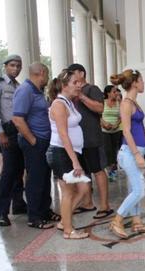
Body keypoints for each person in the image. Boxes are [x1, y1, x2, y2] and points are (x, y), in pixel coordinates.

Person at [109, 69, 145, 238]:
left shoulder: (134, 103)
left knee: (134, 188)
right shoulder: (126, 104)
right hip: (129, 153)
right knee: (139, 190)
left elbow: (140, 127)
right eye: (142, 80)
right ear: (135, 83)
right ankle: (117, 220)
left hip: (137, 151)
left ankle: (137, 223)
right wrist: (137, 154)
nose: (144, 83)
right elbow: (127, 132)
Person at [13, 62, 60, 229]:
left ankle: (45, 210)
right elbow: (18, 120)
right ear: (41, 73)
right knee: (35, 179)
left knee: (45, 178)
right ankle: (34, 216)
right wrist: (33, 141)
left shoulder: (37, 91)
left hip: (43, 141)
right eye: (46, 74)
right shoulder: (25, 90)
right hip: (34, 142)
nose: (47, 78)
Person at [46, 69, 90, 239]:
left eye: (80, 82)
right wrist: (75, 162)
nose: (79, 85)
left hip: (69, 153)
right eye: (75, 83)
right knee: (68, 192)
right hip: (61, 153)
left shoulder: (69, 102)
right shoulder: (58, 105)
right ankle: (68, 231)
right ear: (64, 85)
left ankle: (65, 220)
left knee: (84, 188)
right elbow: (63, 135)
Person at [67, 63, 113, 219]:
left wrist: (81, 97)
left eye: (73, 73)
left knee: (98, 170)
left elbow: (100, 108)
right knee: (84, 172)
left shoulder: (92, 89)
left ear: (81, 73)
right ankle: (87, 203)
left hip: (92, 138)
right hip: (78, 140)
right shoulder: (72, 90)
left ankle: (105, 206)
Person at [0, 54, 27, 226]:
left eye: (18, 66)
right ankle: (2, 212)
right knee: (8, 172)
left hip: (18, 130)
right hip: (6, 130)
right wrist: (0, 132)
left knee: (19, 170)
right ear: (6, 66)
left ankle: (19, 204)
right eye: (12, 65)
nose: (16, 68)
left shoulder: (18, 86)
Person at [101, 85, 122, 182]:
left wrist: (116, 124)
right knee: (107, 150)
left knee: (115, 151)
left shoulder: (119, 103)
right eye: (114, 92)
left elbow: (121, 116)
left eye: (116, 91)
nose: (116, 93)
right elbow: (99, 116)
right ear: (108, 93)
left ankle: (113, 170)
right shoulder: (103, 103)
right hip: (105, 131)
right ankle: (108, 169)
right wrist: (104, 124)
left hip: (116, 131)